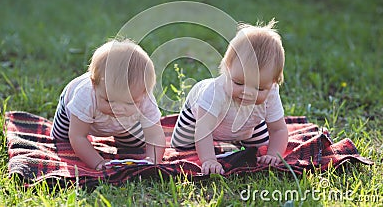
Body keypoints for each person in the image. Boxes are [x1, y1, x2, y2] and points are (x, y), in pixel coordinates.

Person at [171, 19, 288, 175]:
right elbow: (203, 129)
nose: (248, 93)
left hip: (247, 124)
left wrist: (274, 155)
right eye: (239, 83)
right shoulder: (214, 92)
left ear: (273, 82)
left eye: (259, 88)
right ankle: (216, 146)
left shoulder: (271, 93)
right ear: (227, 70)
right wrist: (209, 160)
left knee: (261, 148)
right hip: (200, 118)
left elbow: (278, 129)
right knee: (181, 146)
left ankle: (237, 140)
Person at [51, 39, 166, 171]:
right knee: (61, 143)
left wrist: (153, 161)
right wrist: (98, 162)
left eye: (129, 103)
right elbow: (77, 136)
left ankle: (120, 135)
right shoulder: (84, 96)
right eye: (108, 100)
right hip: (73, 116)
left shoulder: (145, 98)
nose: (117, 109)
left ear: (144, 93)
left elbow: (155, 136)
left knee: (135, 146)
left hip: (124, 125)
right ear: (94, 85)